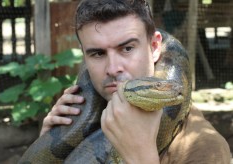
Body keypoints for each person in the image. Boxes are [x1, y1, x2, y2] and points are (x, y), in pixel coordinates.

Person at [39, 0, 231, 163]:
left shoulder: (202, 148)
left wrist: (142, 157)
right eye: (97, 53)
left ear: (155, 47)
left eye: (127, 48)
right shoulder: (79, 121)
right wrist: (49, 146)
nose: (113, 68)